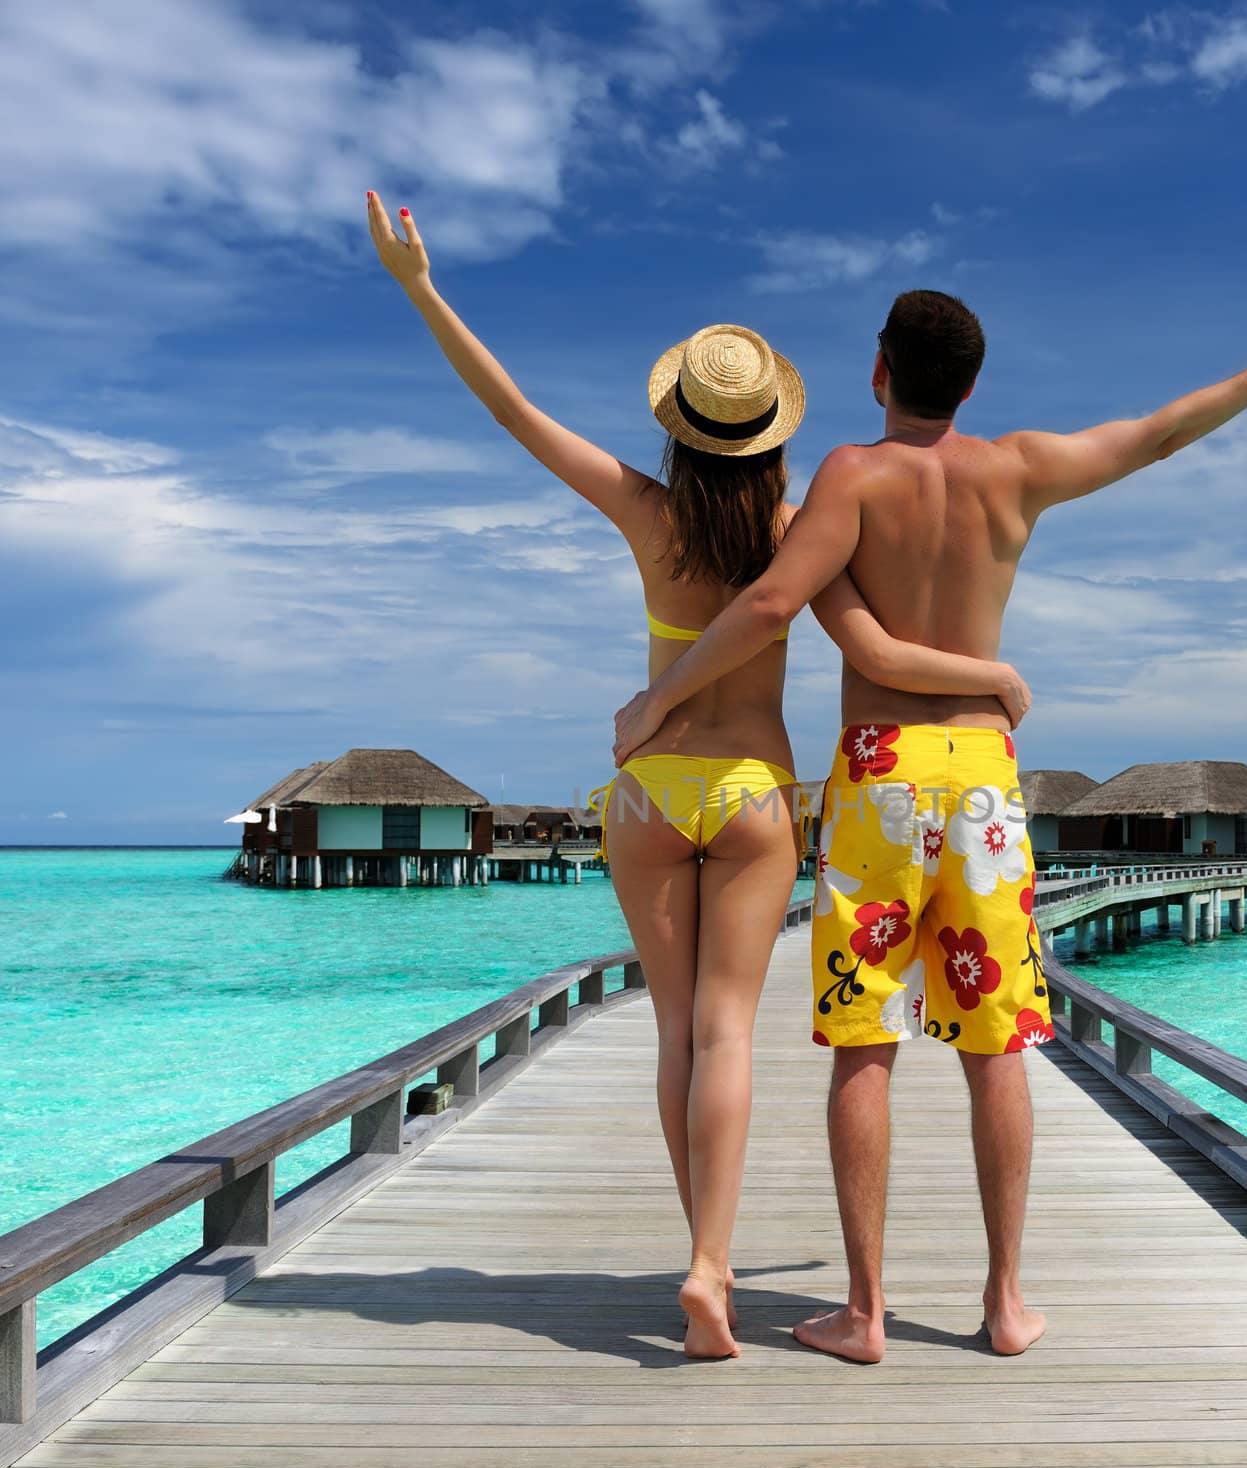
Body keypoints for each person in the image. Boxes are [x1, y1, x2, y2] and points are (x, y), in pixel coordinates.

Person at [613, 287, 1247, 1362]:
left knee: (866, 1042)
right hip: (985, 778)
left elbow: (771, 605)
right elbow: (1157, 433)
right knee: (996, 1045)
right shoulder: (1019, 470)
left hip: (879, 775)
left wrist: (661, 697)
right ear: (969, 385)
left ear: (877, 372)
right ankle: (1004, 1302)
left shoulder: (851, 477)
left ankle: (863, 1313)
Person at [367, 199, 1029, 1359]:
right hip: (755, 794)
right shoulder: (800, 528)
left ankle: (704, 1262)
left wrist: (422, 289)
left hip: (648, 793)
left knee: (674, 1032)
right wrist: (996, 679)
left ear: (678, 427)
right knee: (729, 1035)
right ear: (772, 430)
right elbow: (874, 653)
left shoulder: (644, 512)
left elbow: (512, 410)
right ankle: (720, 1271)